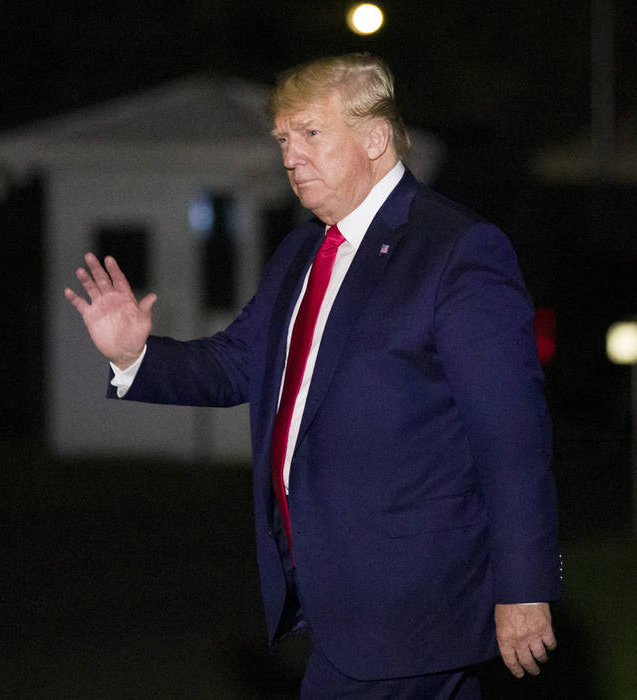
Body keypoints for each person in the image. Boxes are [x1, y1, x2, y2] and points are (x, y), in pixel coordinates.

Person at [65, 53, 561, 698]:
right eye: (282, 139)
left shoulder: (456, 249)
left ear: (375, 137)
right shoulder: (306, 248)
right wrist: (135, 354)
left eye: (310, 133)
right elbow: (239, 362)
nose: (290, 156)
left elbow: (511, 433)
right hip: (333, 593)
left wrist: (523, 588)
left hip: (410, 603)